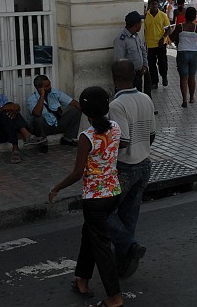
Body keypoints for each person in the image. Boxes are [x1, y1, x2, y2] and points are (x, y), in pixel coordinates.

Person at [48, 86, 124, 307]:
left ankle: (114, 296)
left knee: (101, 246)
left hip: (95, 199)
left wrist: (56, 188)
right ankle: (81, 278)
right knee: (89, 235)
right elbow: (118, 145)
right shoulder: (116, 128)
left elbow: (77, 173)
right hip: (113, 193)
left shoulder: (86, 137)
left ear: (85, 111)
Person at [107, 59, 155, 279]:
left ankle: (129, 245)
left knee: (103, 213)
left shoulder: (116, 105)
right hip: (145, 163)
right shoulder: (145, 98)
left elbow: (123, 140)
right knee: (129, 217)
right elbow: (152, 134)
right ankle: (123, 265)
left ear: (115, 79)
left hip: (125, 166)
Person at [0, 74, 45, 164]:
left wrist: (16, 107)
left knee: (9, 108)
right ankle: (26, 136)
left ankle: (17, 148)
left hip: (4, 131)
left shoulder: (1, 97)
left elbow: (13, 108)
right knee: (5, 110)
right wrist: (3, 108)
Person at [27, 75, 82, 153]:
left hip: (56, 124)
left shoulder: (54, 93)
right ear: (38, 87)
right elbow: (37, 113)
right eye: (46, 86)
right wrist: (42, 95)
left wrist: (89, 112)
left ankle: (68, 138)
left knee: (76, 111)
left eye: (49, 84)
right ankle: (43, 142)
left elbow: (73, 102)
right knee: (38, 119)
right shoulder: (32, 99)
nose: (49, 87)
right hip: (43, 128)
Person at [169, 6, 197, 108]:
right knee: (192, 76)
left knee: (183, 77)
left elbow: (172, 38)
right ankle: (192, 98)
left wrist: (169, 32)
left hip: (182, 53)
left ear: (185, 16)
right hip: (194, 53)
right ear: (195, 16)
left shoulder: (180, 27)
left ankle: (184, 99)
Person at [113, 11, 150, 99]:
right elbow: (118, 62)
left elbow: (143, 51)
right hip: (127, 79)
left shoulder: (136, 36)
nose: (141, 24)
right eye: (140, 23)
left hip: (138, 75)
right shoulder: (121, 39)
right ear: (136, 24)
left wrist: (145, 66)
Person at [144, 0, 170, 89]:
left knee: (162, 62)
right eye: (152, 4)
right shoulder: (145, 16)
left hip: (161, 43)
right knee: (151, 64)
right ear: (149, 5)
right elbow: (144, 30)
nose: (154, 6)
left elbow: (168, 29)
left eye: (156, 4)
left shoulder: (163, 15)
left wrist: (163, 38)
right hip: (150, 44)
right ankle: (154, 82)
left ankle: (164, 76)